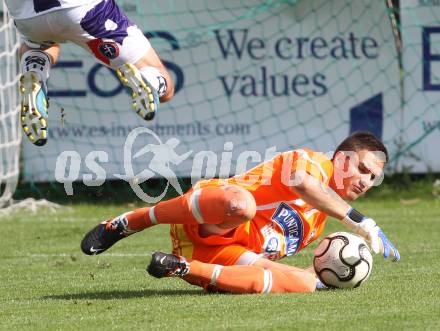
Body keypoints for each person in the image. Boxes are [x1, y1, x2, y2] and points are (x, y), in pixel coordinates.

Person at [81, 131, 400, 292]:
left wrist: (311, 276)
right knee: (242, 206)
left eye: (373, 177)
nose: (366, 180)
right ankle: (127, 222)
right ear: (341, 159)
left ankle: (181, 267)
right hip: (209, 217)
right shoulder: (309, 161)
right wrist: (360, 221)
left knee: (305, 284)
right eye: (362, 168)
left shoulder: (316, 226)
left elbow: (263, 257)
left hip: (220, 256)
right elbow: (302, 183)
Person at [5, 0, 174, 146]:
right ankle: (149, 80)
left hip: (27, 19)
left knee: (38, 43)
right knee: (163, 80)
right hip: (81, 11)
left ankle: (34, 73)